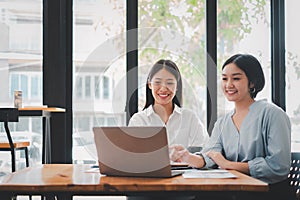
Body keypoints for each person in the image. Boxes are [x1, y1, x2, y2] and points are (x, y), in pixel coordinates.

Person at [170, 54, 295, 200]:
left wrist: (229, 165)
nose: (228, 84)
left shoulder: (273, 114)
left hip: (267, 193)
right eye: (224, 78)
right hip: (235, 191)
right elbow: (210, 156)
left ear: (252, 83)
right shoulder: (223, 122)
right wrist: (187, 157)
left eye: (236, 78)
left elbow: (278, 166)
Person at [129, 59, 209, 150]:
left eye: (169, 83)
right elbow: (134, 155)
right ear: (149, 84)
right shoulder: (139, 121)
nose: (163, 88)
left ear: (177, 86)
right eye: (158, 82)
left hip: (186, 165)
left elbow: (204, 151)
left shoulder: (190, 118)